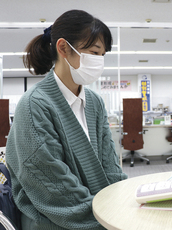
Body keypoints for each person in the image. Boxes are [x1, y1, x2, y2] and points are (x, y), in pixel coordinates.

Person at [6, 10, 127, 229]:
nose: (99, 61)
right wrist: (107, 218)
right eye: (94, 52)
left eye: (103, 55)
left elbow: (110, 166)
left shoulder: (95, 102)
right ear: (63, 48)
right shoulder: (35, 104)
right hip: (53, 221)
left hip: (100, 214)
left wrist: (126, 202)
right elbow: (52, 186)